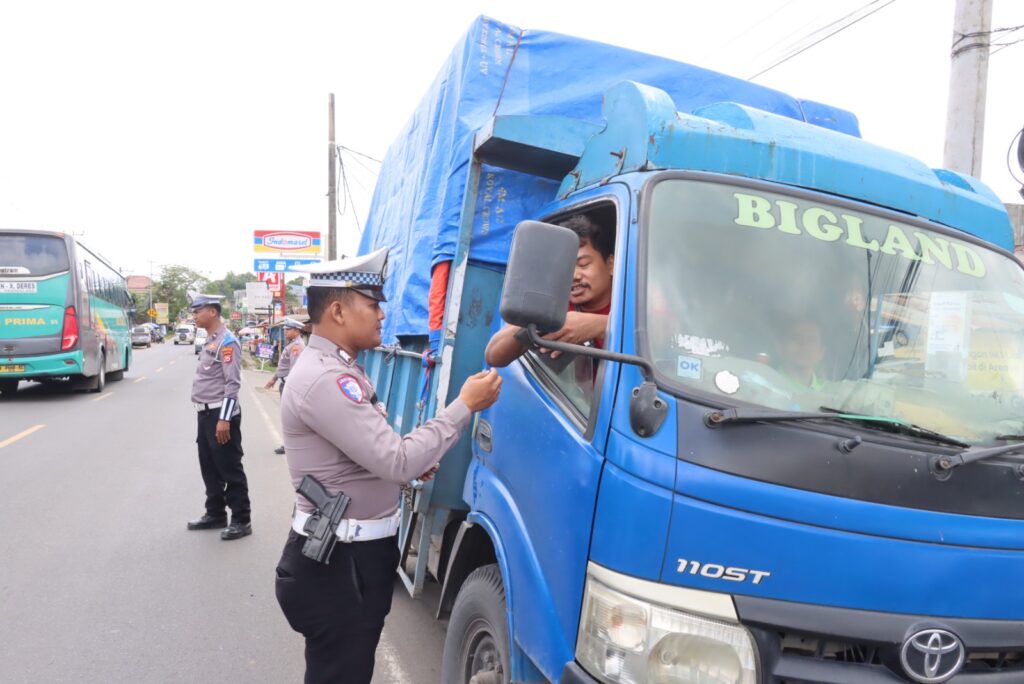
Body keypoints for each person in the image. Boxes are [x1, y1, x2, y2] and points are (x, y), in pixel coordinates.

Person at [274, 247, 502, 684]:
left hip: (349, 560)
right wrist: (463, 406)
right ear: (338, 311)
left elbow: (371, 454)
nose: (382, 313)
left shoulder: (339, 368)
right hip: (339, 567)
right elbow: (395, 459)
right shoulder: (326, 378)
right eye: (373, 303)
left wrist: (410, 463)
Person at [485, 213, 615, 367]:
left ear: (610, 264)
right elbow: (494, 356)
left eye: (583, 264)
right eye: (565, 267)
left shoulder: (635, 299)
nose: (574, 276)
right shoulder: (553, 304)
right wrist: (535, 318)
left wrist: (601, 325)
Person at [187, 293, 252, 541]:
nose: (194, 316)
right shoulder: (210, 340)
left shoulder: (227, 342)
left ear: (212, 312)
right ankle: (215, 514)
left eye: (197, 311)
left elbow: (231, 384)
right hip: (205, 413)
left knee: (229, 468)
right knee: (209, 467)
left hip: (220, 414)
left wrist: (224, 420)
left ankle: (241, 519)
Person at [265, 317, 306, 455]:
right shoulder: (291, 345)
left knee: (290, 417)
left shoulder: (296, 347)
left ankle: (290, 445)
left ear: (296, 330)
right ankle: (290, 444)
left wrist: (290, 387)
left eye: (288, 330)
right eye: (285, 330)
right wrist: (274, 378)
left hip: (290, 385)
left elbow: (295, 369)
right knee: (287, 416)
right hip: (285, 383)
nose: (285, 332)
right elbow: (283, 366)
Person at [775, 316, 827, 391]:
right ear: (780, 347)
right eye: (796, 338)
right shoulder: (764, 385)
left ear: (821, 353)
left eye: (811, 340)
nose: (804, 345)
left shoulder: (831, 392)